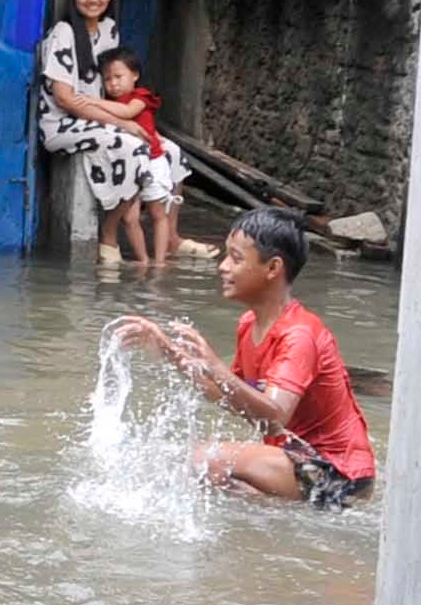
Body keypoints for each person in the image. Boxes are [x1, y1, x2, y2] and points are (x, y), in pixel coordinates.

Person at [117, 208, 376, 506]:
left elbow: (276, 415)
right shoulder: (249, 325)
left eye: (236, 258)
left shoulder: (299, 334)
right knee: (212, 477)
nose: (223, 267)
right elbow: (230, 396)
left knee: (201, 459)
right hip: (301, 462)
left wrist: (214, 365)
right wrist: (169, 352)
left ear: (272, 268)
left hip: (342, 476)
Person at [37, 0, 187, 252]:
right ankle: (108, 233)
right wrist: (122, 123)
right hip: (63, 124)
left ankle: (170, 236)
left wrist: (128, 119)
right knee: (135, 144)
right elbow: (64, 98)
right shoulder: (63, 33)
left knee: (171, 151)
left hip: (102, 117)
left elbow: (112, 92)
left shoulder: (109, 30)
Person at [89, 47, 186, 265]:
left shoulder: (141, 96)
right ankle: (143, 261)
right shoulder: (110, 102)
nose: (113, 84)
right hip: (130, 166)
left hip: (152, 162)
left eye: (118, 77)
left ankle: (159, 262)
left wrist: (90, 101)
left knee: (157, 213)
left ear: (135, 75)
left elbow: (127, 114)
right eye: (107, 79)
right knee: (130, 218)